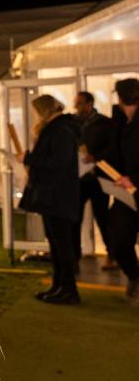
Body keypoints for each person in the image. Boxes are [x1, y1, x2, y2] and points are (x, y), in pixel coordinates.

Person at [17, 95, 82, 304]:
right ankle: (59, 285)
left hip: (58, 196)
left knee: (62, 245)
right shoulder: (58, 128)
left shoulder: (61, 129)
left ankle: (69, 289)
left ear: (44, 110)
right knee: (55, 244)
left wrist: (29, 158)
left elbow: (58, 162)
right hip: (53, 196)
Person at [103, 78, 139, 303]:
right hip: (125, 194)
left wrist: (134, 178)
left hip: (134, 186)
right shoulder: (119, 121)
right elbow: (114, 152)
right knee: (117, 239)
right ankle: (134, 275)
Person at [72, 91, 115, 268]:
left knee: (102, 217)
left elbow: (113, 148)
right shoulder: (72, 123)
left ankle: (112, 255)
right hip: (79, 179)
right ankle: (74, 257)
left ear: (90, 104)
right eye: (76, 103)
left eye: (80, 103)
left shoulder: (104, 123)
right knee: (75, 218)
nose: (77, 107)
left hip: (98, 178)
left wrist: (95, 157)